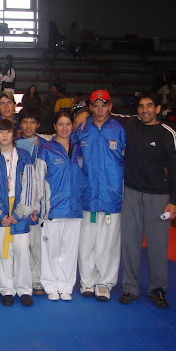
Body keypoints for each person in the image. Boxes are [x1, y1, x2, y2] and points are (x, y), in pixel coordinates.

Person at [75, 92, 176, 308]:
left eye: (149, 106)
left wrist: (175, 200)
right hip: (132, 193)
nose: (145, 110)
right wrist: (83, 113)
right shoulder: (129, 125)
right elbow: (102, 113)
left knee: (157, 246)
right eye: (141, 106)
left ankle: (158, 289)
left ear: (158, 109)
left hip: (158, 196)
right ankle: (130, 288)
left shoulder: (166, 134)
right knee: (129, 245)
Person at [70, 89, 125, 302]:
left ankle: (104, 283)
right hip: (88, 194)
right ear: (90, 108)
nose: (100, 110)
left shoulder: (119, 130)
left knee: (108, 244)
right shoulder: (82, 130)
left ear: (110, 107)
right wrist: (78, 117)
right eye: (96, 106)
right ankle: (87, 282)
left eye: (104, 105)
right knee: (86, 242)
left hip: (111, 196)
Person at [34, 111, 87, 301]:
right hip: (53, 208)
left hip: (74, 208)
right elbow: (38, 180)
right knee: (51, 250)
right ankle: (50, 285)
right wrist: (38, 206)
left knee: (69, 251)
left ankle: (66, 286)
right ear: (55, 127)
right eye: (61, 124)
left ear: (72, 126)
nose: (65, 128)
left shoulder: (79, 148)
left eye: (68, 124)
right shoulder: (46, 149)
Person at [0, 119, 37, 307]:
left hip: (20, 211)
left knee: (22, 252)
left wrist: (19, 214)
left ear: (14, 134)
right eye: (0, 132)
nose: (4, 135)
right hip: (1, 211)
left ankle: (24, 289)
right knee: (3, 253)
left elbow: (30, 187)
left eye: (8, 131)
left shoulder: (25, 157)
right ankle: (7, 289)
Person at [17, 106, 50, 295]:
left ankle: (37, 279)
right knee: (20, 245)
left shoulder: (46, 145)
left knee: (36, 243)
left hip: (37, 202)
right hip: (18, 203)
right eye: (25, 122)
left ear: (38, 124)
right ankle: (20, 280)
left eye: (32, 122)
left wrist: (36, 204)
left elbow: (41, 177)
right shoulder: (14, 144)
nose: (28, 125)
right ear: (20, 125)